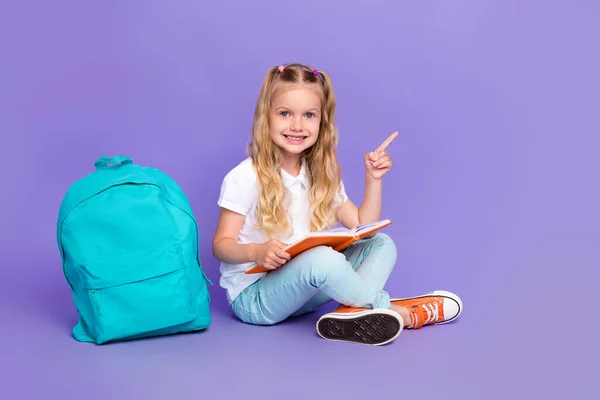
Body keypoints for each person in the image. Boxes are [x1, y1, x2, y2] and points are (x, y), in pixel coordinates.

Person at [212, 62, 462, 346]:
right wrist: (256, 251)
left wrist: (373, 179)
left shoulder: (321, 174)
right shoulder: (245, 176)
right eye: (284, 114)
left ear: (322, 121)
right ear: (265, 117)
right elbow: (221, 245)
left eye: (308, 115)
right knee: (323, 259)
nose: (297, 125)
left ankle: (353, 311)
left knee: (381, 243)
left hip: (304, 294)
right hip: (255, 299)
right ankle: (389, 308)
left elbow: (362, 228)